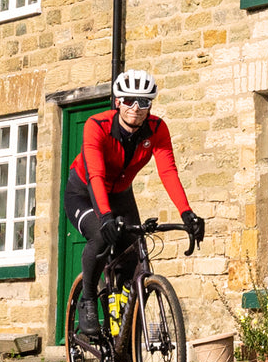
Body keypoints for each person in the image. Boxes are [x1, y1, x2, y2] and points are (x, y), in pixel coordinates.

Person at [67, 70, 205, 342]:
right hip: (84, 191)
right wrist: (105, 217)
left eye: (144, 102)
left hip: (120, 193)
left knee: (133, 263)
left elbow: (168, 171)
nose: (136, 108)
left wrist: (187, 213)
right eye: (130, 100)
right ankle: (88, 300)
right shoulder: (97, 125)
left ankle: (129, 353)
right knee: (99, 235)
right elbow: (95, 174)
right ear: (118, 101)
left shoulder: (156, 129)